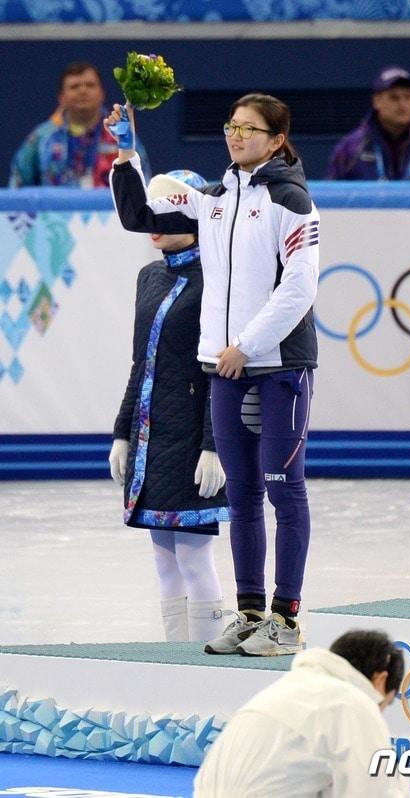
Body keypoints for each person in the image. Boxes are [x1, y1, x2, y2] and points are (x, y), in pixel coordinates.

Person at [105, 92, 320, 656]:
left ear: (275, 139)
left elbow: (299, 288)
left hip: (279, 367)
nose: (236, 135)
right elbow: (140, 217)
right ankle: (249, 615)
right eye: (231, 126)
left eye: (249, 129)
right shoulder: (215, 198)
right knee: (244, 496)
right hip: (225, 368)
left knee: (283, 490)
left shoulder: (292, 200)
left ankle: (287, 620)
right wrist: (127, 157)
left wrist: (245, 346)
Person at [108, 168, 229, 643]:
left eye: (166, 214)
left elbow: (220, 370)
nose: (152, 224)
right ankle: (175, 660)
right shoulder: (150, 276)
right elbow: (142, 362)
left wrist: (214, 445)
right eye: (148, 214)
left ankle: (206, 665)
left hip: (192, 442)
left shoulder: (217, 280)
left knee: (195, 557)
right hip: (150, 440)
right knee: (163, 558)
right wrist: (122, 432)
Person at [193, 629, 410, 797]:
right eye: (384, 705)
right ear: (380, 680)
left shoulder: (286, 689)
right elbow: (378, 788)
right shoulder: (352, 703)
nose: (379, 712)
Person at [9, 61, 150, 188]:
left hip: (113, 215)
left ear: (102, 93)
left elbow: (143, 180)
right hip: (54, 216)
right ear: (61, 97)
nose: (83, 91)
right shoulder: (42, 137)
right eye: (74, 86)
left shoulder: (120, 133)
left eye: (90, 85)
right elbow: (17, 184)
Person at [327, 64, 410, 181]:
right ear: (376, 101)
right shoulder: (352, 147)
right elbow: (332, 195)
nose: (403, 104)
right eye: (394, 98)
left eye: (408, 97)